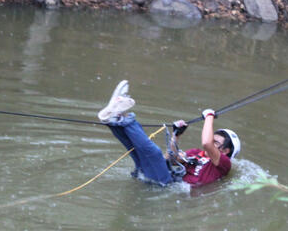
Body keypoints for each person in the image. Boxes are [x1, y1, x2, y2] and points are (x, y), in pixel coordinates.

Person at [98, 80, 241, 187]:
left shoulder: (223, 164)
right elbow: (169, 159)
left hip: (167, 186)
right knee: (136, 149)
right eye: (212, 140)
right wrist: (176, 136)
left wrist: (209, 116)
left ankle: (126, 118)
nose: (209, 145)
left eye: (215, 143)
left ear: (226, 151)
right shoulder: (196, 153)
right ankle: (114, 121)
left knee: (153, 153)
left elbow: (206, 142)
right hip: (162, 179)